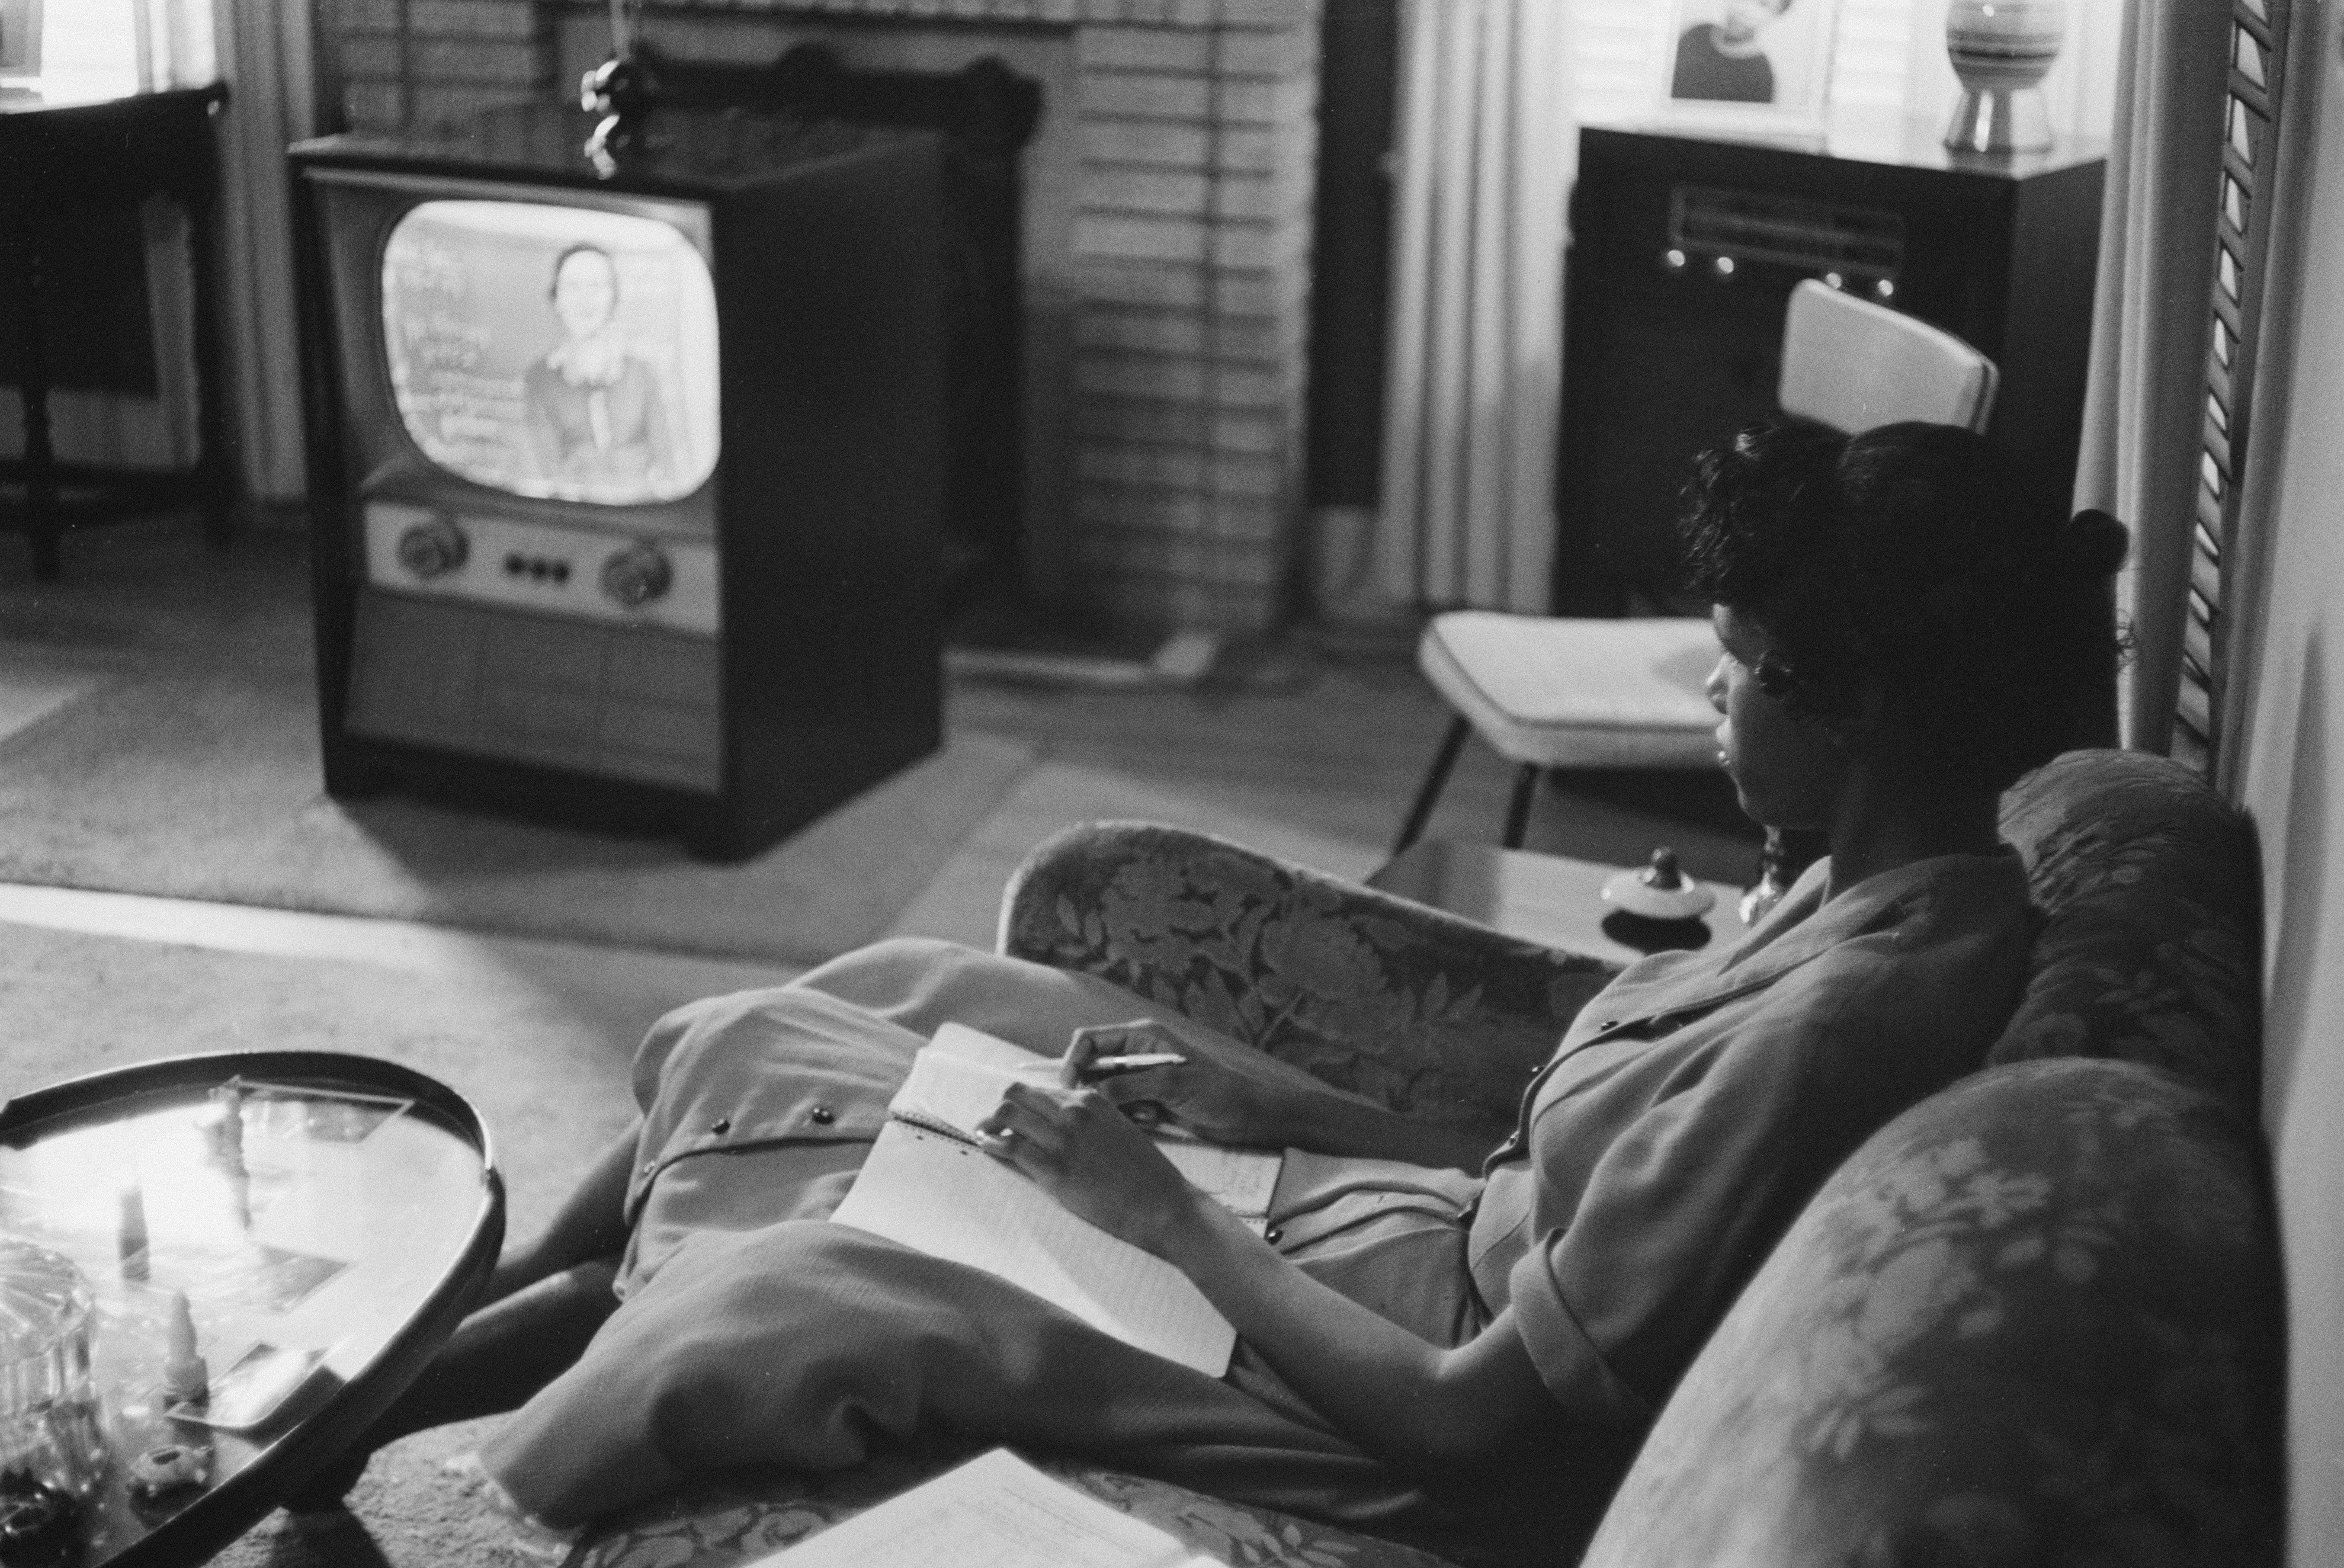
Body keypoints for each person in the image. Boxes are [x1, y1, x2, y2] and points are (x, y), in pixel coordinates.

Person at [293, 422, 2127, 1566]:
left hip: (1401, 1418)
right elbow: (1550, 1158)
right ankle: (435, 1347)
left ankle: (351, 1415)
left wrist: (1155, 1209)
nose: (1703, 711)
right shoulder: (1859, 878)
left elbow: (1475, 1416)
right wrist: (1273, 1109)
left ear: (1862, 701)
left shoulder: (1845, 1022)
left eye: (1732, 679)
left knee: (808, 1283)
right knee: (885, 994)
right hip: (1393, 1236)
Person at [519, 242, 679, 503]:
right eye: (572, 287)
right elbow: (544, 471)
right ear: (556, 299)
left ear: (613, 299)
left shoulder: (643, 373)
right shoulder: (539, 379)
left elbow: (666, 468)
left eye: (596, 287)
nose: (585, 300)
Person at [1672, 0, 1793, 104]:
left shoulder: (1760, 77)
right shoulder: (1697, 33)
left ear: (1775, 15)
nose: (1744, 9)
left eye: (1763, 4)